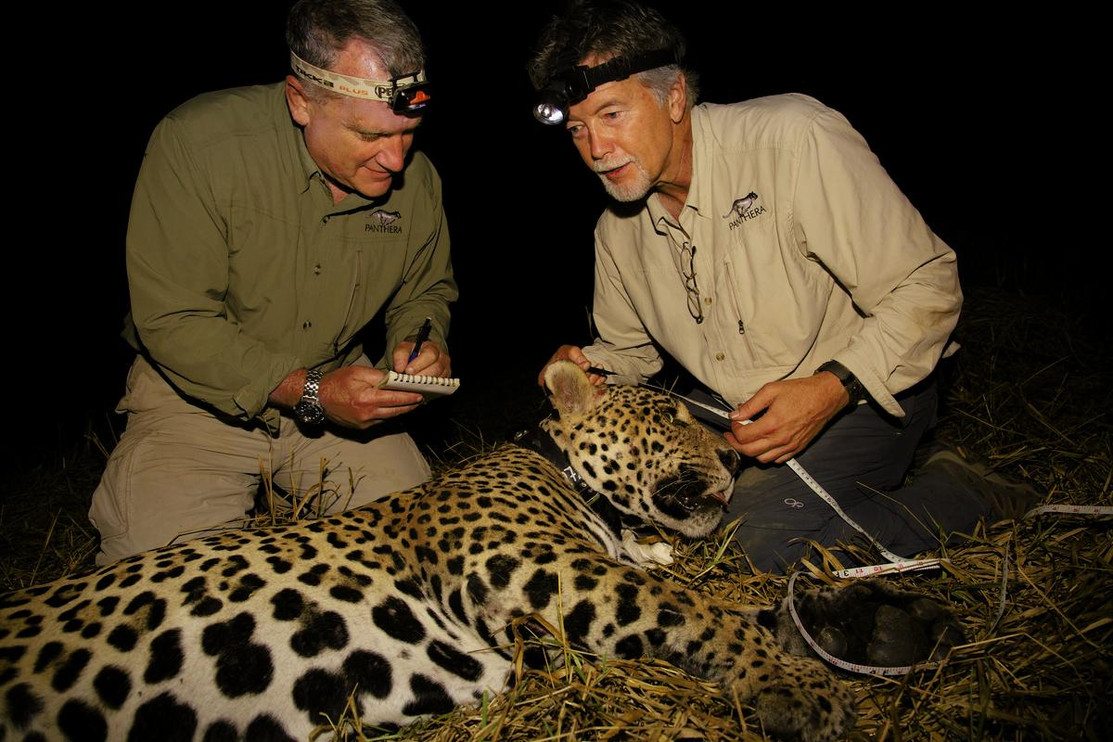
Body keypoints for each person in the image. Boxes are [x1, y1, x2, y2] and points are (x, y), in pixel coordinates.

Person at [530, 0, 1036, 573]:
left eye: (612, 115)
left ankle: (964, 492)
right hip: (731, 411)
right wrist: (590, 365)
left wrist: (830, 389)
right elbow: (629, 353)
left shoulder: (793, 140)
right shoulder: (614, 230)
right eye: (577, 130)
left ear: (673, 97)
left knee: (756, 543)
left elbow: (929, 286)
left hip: (868, 390)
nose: (596, 150)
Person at [89, 0, 457, 564]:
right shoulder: (198, 145)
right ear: (300, 101)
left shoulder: (419, 183)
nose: (397, 160)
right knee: (160, 575)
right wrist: (309, 391)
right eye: (368, 135)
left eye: (409, 133)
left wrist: (420, 341)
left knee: (425, 545)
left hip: (342, 394)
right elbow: (173, 319)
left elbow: (425, 291)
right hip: (197, 402)